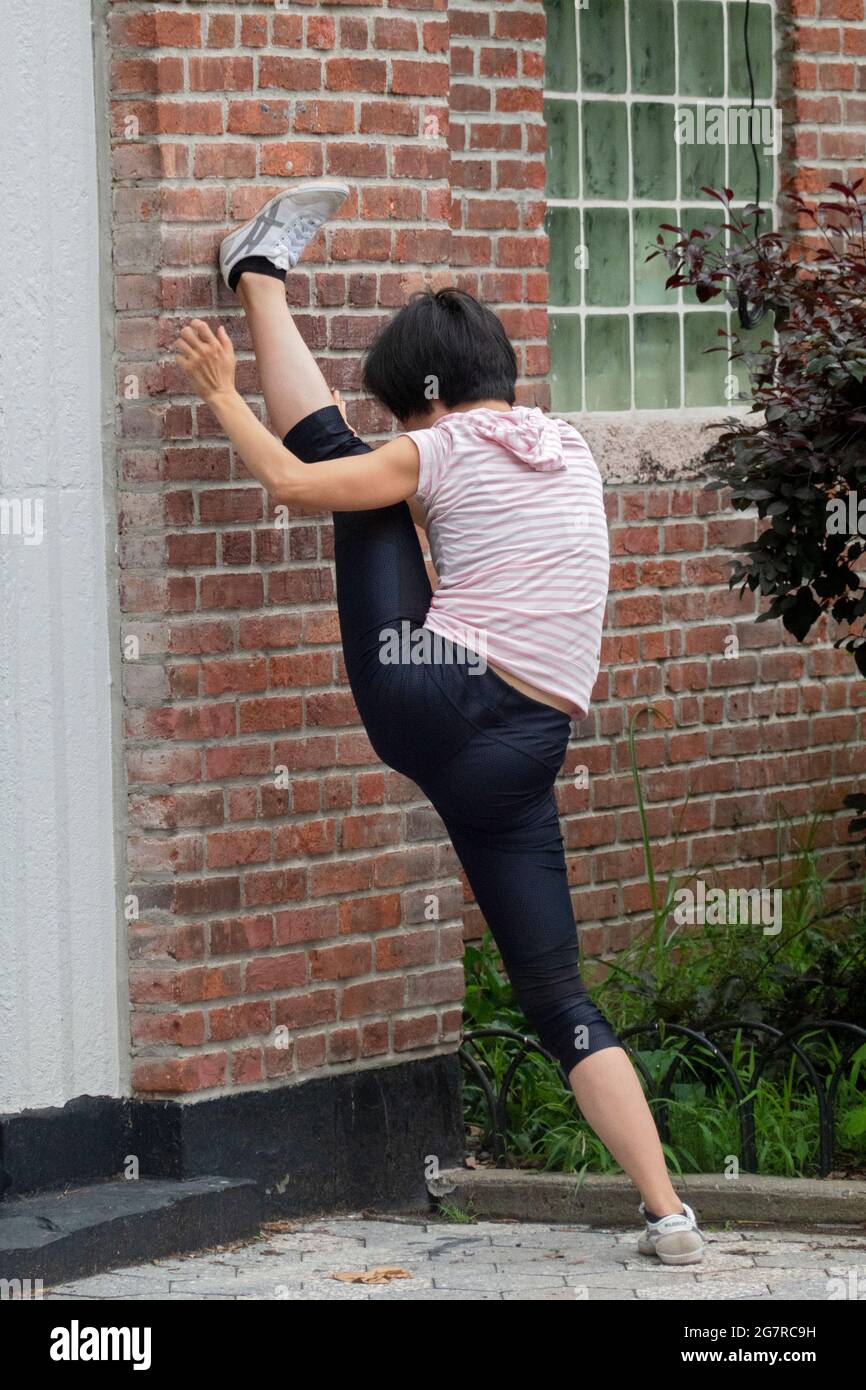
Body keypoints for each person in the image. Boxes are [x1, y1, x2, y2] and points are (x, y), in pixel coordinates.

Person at [175, 181, 704, 1266]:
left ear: (422, 400)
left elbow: (287, 476)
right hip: (524, 750)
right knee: (557, 994)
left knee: (338, 472)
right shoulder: (566, 451)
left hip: (428, 694)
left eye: (403, 409)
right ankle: (669, 1213)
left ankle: (256, 273)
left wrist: (223, 392)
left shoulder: (433, 453)